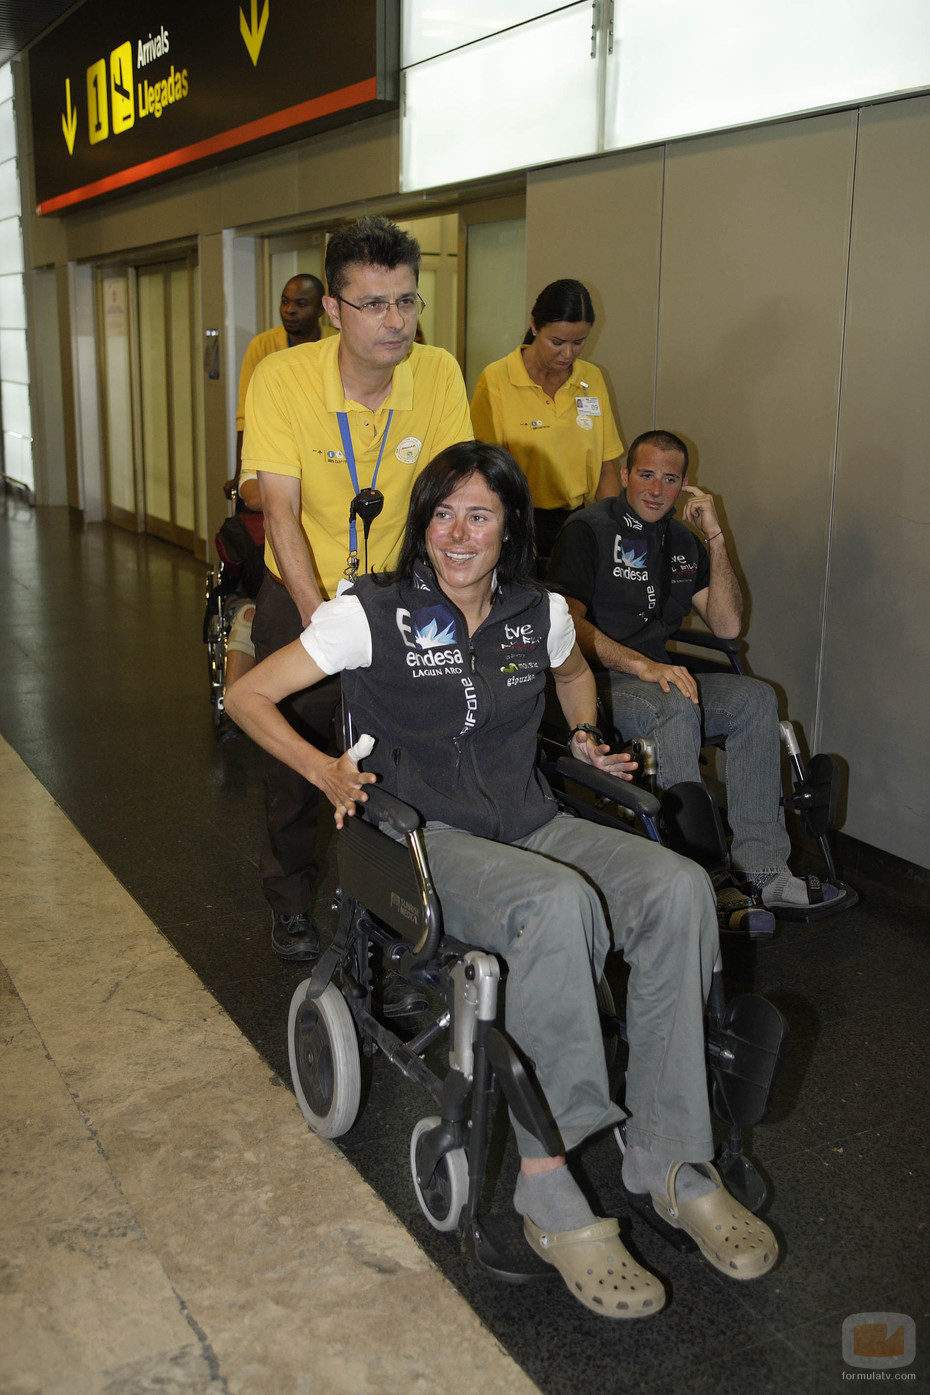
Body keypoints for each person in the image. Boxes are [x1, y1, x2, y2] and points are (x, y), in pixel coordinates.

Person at [226, 441, 778, 1321]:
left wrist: (587, 733)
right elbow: (247, 697)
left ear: (511, 525)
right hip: (423, 836)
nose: (457, 532)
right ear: (422, 522)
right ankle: (548, 1189)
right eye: (442, 512)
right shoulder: (369, 613)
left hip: (530, 818)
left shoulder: (541, 611)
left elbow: (572, 671)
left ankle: (670, 1158)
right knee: (554, 905)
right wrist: (326, 771)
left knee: (676, 885)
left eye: (479, 514)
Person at [241, 216, 473, 963]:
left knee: (403, 752)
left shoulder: (437, 373)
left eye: (406, 301)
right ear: (335, 310)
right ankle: (288, 898)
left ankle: (394, 903)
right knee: (297, 757)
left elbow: (451, 497)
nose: (394, 322)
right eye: (373, 304)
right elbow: (278, 507)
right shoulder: (282, 376)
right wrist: (321, 625)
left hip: (396, 591)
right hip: (302, 586)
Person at [547, 429, 850, 919]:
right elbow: (567, 626)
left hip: (660, 676)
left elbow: (728, 623)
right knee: (675, 700)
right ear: (625, 475)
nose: (655, 489)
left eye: (669, 479)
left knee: (754, 698)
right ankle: (697, 877)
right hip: (600, 681)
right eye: (645, 474)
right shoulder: (589, 529)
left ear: (684, 485)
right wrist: (642, 665)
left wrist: (715, 535)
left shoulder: (684, 542)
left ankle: (764, 871)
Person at [470, 278, 623, 564]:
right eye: (557, 342)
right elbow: (482, 472)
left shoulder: (591, 379)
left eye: (579, 343)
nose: (568, 354)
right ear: (534, 326)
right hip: (517, 524)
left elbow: (606, 468)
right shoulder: (497, 379)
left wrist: (608, 530)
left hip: (580, 523)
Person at [224, 273, 328, 504]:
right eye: (285, 301)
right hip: (275, 447)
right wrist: (240, 473)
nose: (290, 310)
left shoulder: (336, 343)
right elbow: (246, 415)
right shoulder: (262, 346)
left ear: (322, 309)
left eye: (301, 304)